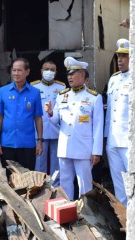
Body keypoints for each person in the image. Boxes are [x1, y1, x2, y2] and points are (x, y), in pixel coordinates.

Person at [45, 57, 104, 200]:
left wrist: (96, 151)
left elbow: (98, 126)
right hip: (65, 146)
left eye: (73, 74)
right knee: (65, 182)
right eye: (68, 74)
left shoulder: (94, 97)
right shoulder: (62, 95)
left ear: (83, 75)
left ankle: (87, 213)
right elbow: (57, 120)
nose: (70, 77)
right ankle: (68, 211)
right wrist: (51, 113)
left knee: (84, 183)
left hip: (83, 148)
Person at [0, 58, 43, 170]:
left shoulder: (35, 93)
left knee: (28, 179)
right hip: (7, 143)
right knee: (9, 179)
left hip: (27, 144)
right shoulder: (3, 91)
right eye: (14, 70)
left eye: (19, 70)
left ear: (27, 72)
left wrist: (40, 141)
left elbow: (38, 118)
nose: (16, 73)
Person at [30, 61, 66, 186]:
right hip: (40, 131)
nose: (49, 72)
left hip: (57, 130)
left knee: (57, 163)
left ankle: (55, 187)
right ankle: (40, 187)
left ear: (56, 72)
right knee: (40, 163)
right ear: (41, 71)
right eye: (46, 69)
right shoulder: (34, 87)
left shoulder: (62, 88)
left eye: (52, 69)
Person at [104, 38, 130, 206]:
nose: (120, 60)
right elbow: (110, 111)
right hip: (113, 139)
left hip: (129, 140)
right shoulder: (113, 79)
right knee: (118, 183)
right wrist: (106, 137)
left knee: (134, 182)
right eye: (119, 56)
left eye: (124, 56)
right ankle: (124, 220)